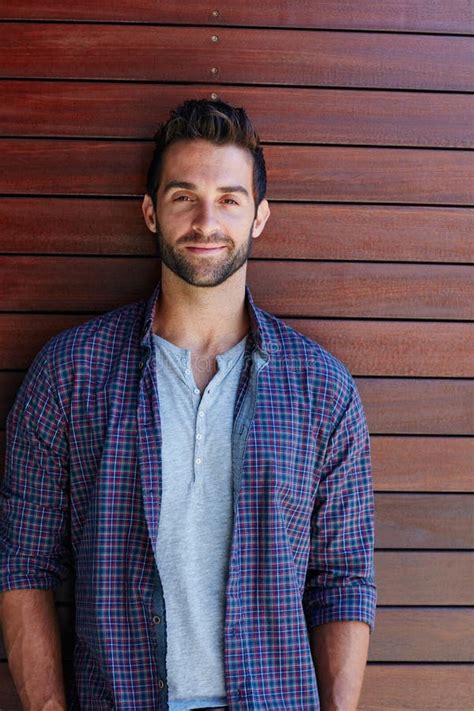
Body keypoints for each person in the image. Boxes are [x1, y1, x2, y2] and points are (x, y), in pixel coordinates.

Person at [0, 99, 376, 710]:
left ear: (259, 218)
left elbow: (344, 581)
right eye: (183, 196)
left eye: (230, 198)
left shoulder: (321, 389)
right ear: (151, 211)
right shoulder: (71, 372)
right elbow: (23, 563)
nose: (207, 221)